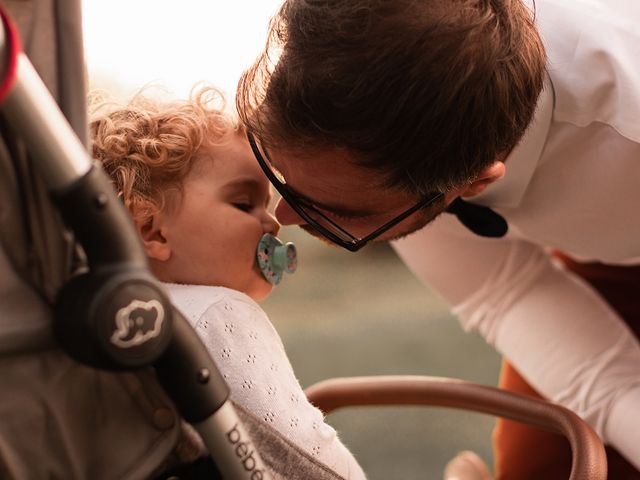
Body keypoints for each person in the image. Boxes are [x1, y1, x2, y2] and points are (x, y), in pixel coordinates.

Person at [235, 0, 640, 478]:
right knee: (544, 464)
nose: (284, 216)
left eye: (340, 211)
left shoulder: (623, 115)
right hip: (594, 249)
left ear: (474, 182)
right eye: (278, 174)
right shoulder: (401, 91)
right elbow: (505, 293)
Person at [89, 86, 366, 480]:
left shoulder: (109, 324)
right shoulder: (221, 312)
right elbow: (306, 448)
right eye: (243, 203)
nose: (272, 223)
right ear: (154, 232)